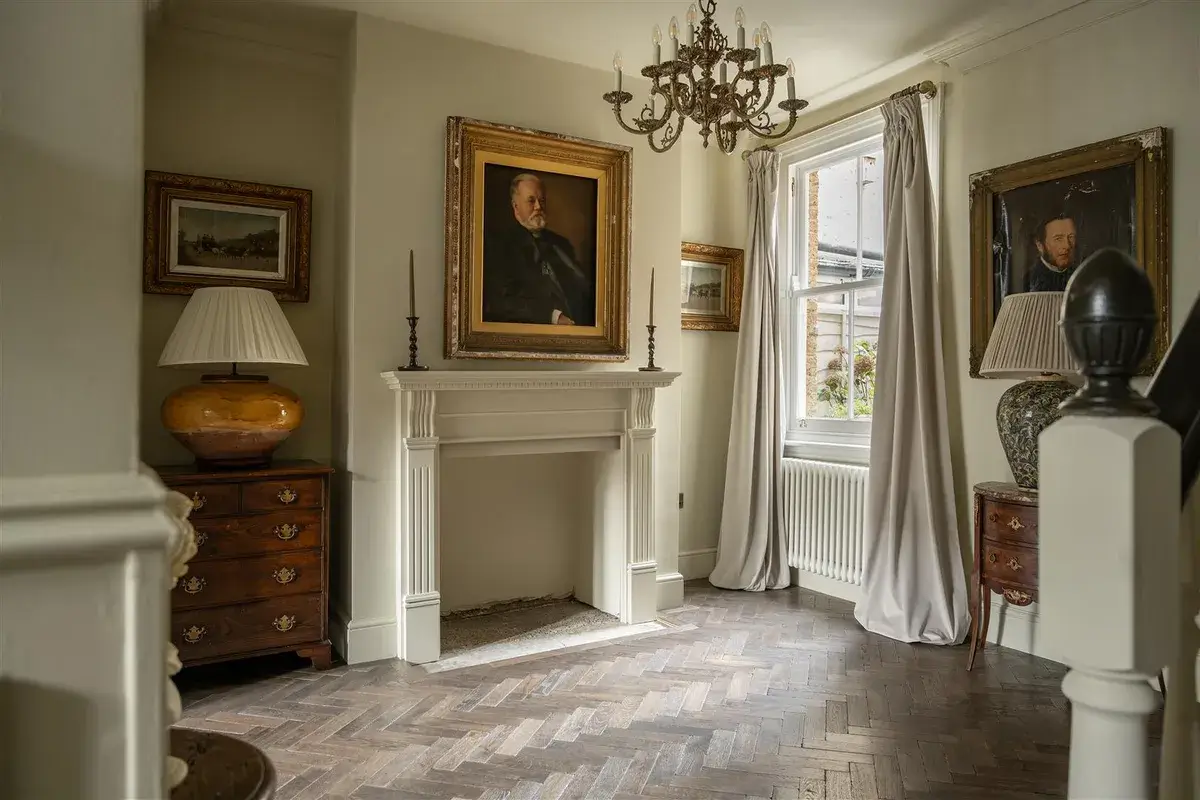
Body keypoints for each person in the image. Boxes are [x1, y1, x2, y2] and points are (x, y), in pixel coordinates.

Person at [482, 173, 595, 326]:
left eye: (542, 201)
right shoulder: (499, 245)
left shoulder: (561, 244)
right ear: (516, 207)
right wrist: (552, 316)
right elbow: (501, 301)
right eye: (531, 201)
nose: (538, 207)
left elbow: (582, 289)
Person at [1027, 212, 1077, 292]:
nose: (1067, 246)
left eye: (1071, 237)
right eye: (1058, 239)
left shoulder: (1081, 275)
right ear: (1039, 245)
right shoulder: (1028, 281)